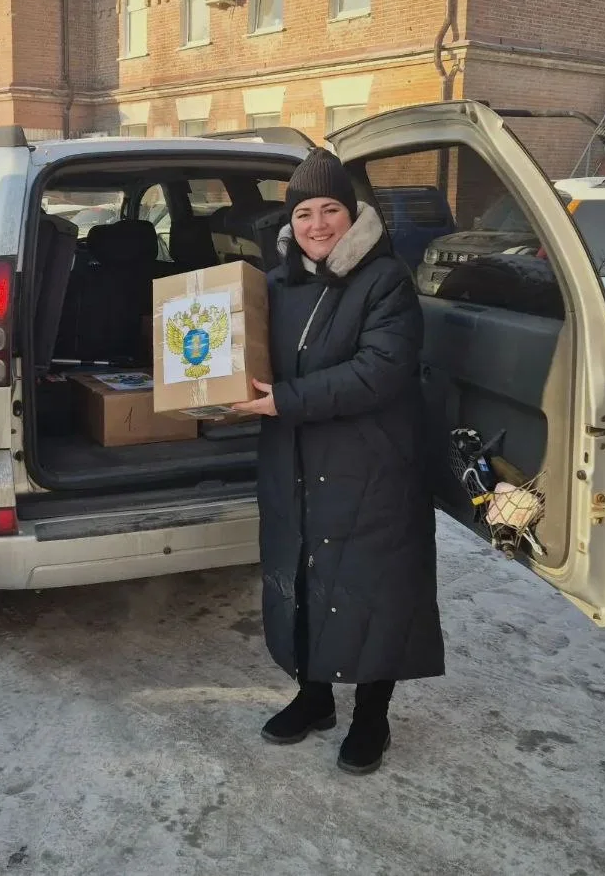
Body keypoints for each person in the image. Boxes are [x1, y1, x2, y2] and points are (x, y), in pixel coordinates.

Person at [235, 147, 443, 775]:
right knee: (304, 578)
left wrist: (285, 400)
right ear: (290, 222)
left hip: (371, 464)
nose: (317, 224)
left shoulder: (385, 281)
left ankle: (372, 716)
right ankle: (314, 696)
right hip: (295, 459)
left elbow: (381, 370)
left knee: (374, 587)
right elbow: (242, 353)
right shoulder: (274, 285)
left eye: (330, 210)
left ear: (353, 216)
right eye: (304, 213)